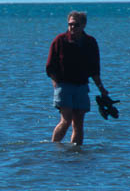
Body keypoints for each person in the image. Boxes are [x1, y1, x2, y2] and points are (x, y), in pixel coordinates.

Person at [45, 10, 109, 145]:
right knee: (66, 120)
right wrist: (56, 84)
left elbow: (94, 69)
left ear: (84, 25)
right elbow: (50, 67)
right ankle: (54, 148)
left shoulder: (90, 42)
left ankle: (76, 152)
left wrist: (101, 88)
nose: (72, 27)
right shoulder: (60, 40)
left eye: (76, 25)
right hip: (64, 86)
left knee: (78, 123)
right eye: (70, 24)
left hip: (81, 86)